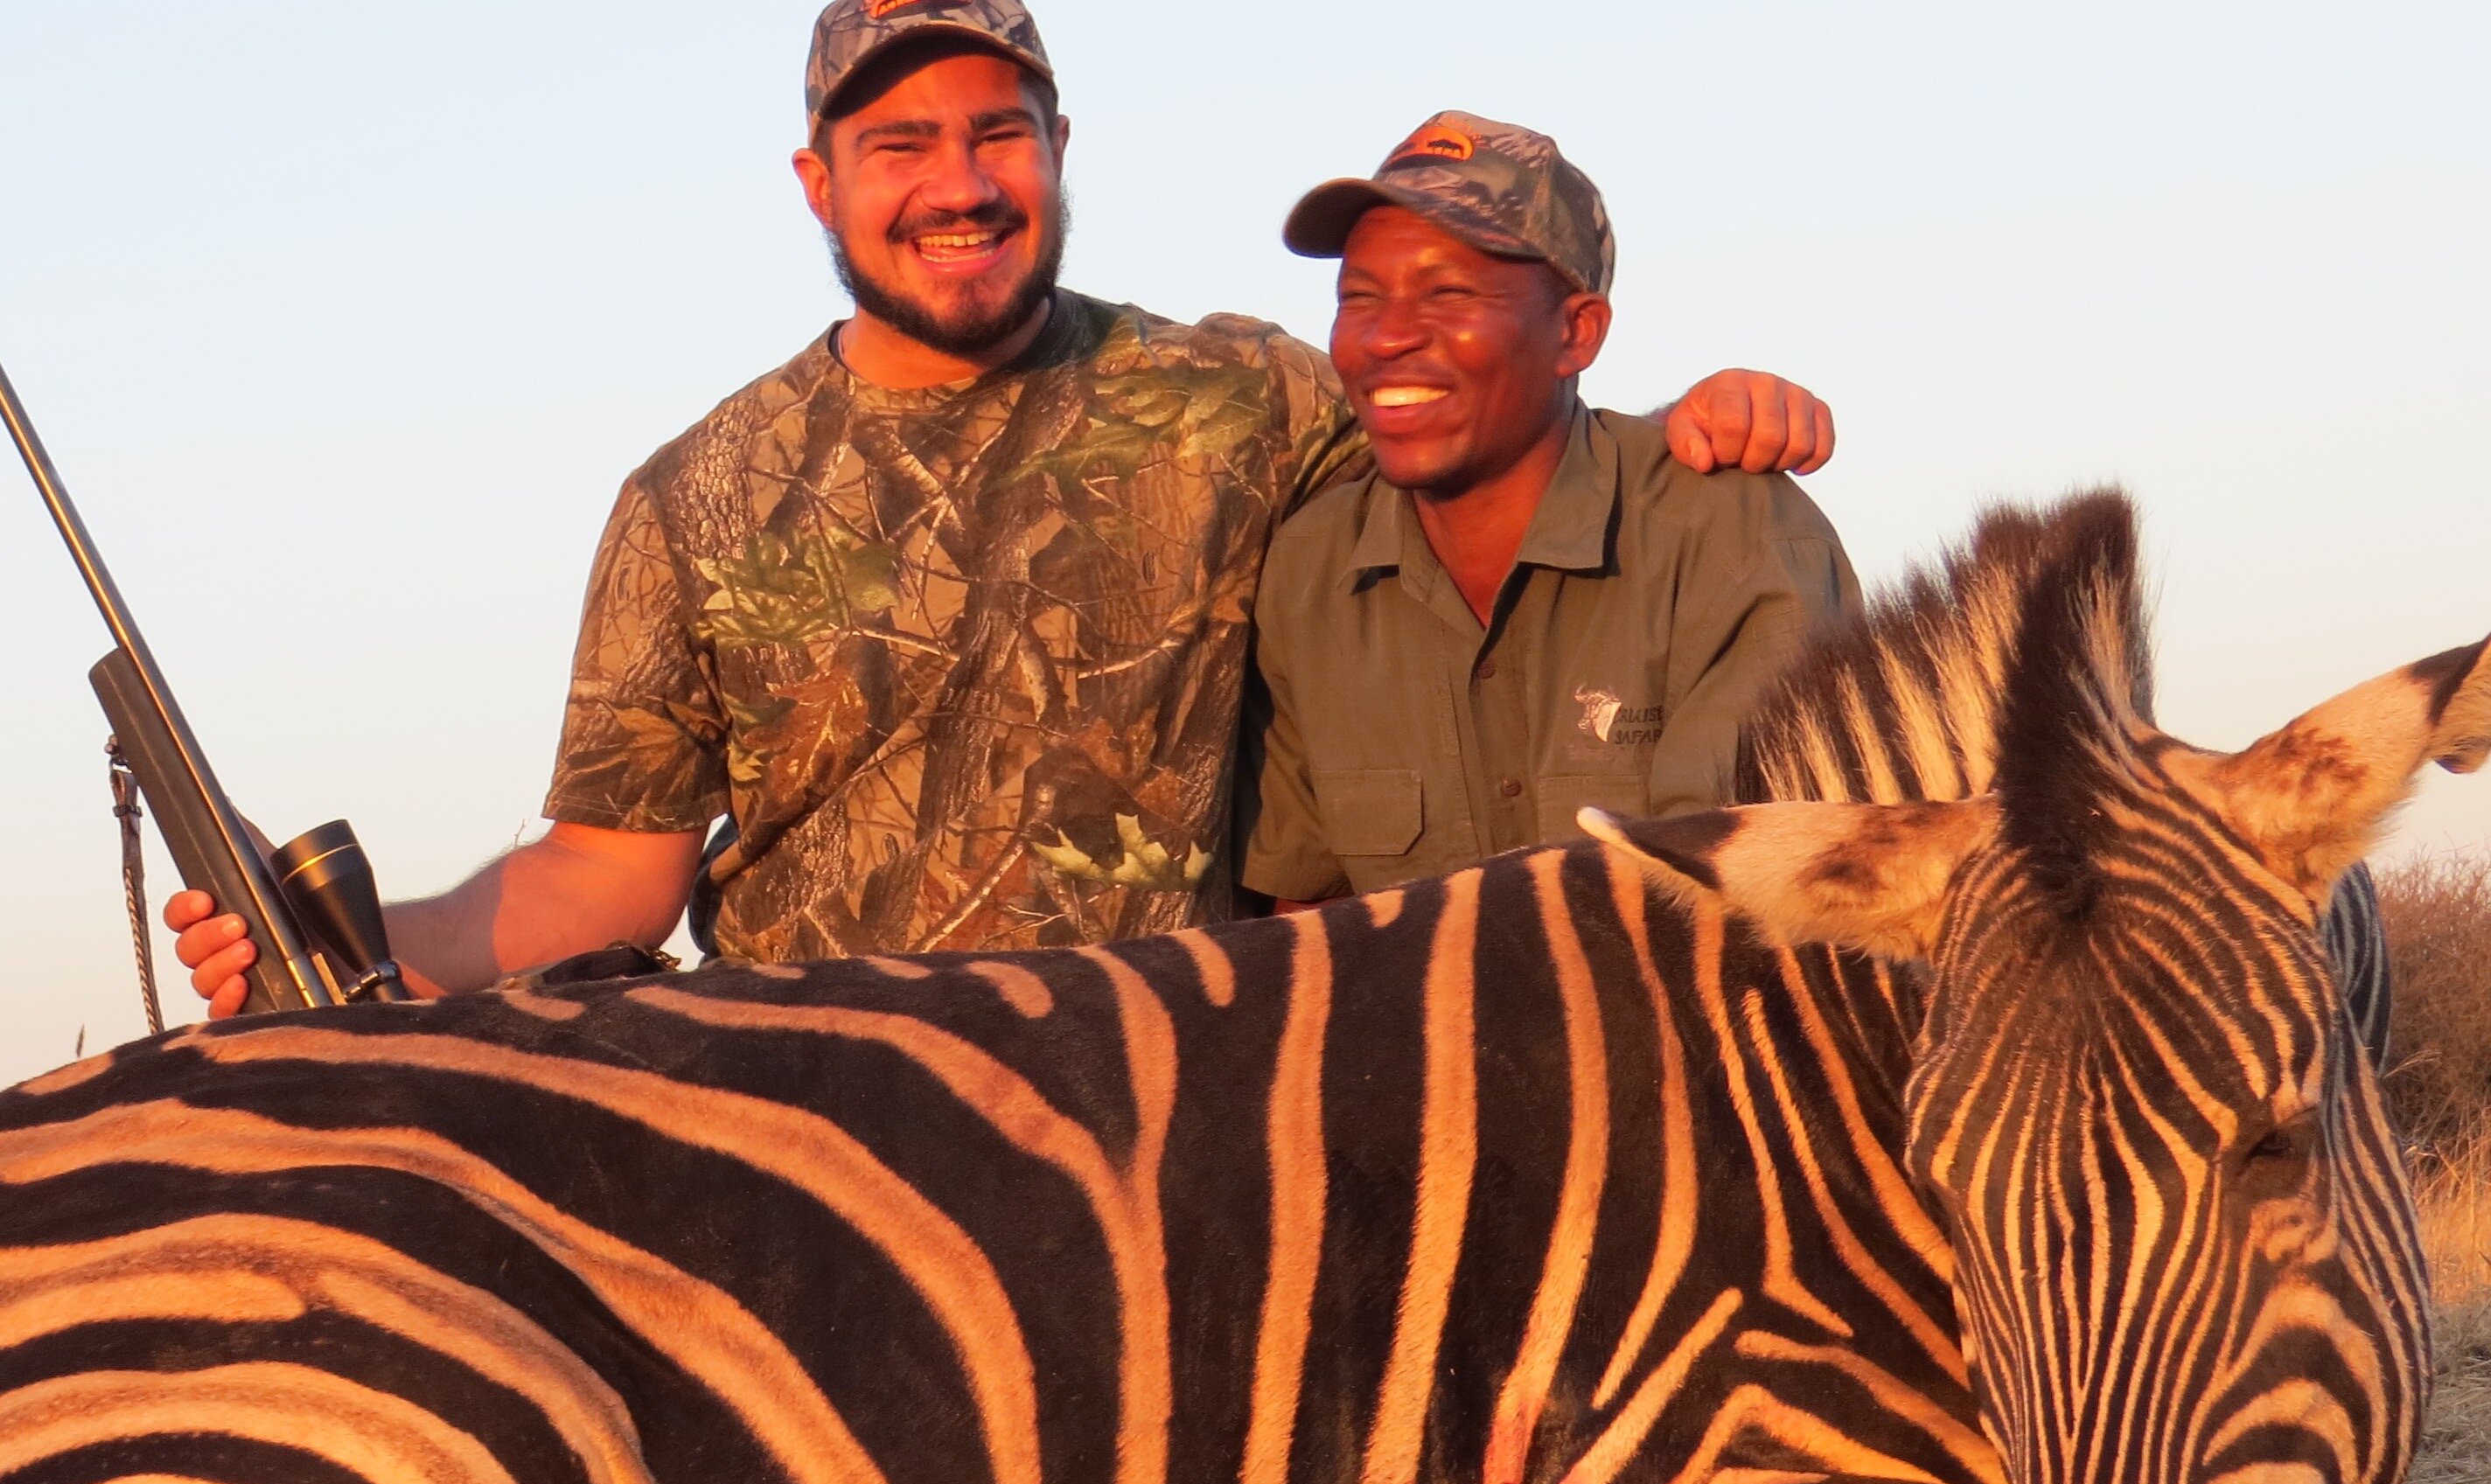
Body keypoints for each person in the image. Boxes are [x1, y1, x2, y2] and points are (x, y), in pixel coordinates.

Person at [171, 0, 1835, 1012]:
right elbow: (608, 878)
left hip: (1175, 1130)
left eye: (995, 135)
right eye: (898, 146)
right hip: (831, 1148)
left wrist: (1695, 417)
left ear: (1056, 146)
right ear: (818, 182)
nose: (958, 186)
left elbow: (1476, 414)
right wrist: (360, 937)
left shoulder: (1246, 395)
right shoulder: (691, 500)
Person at [1236, 115, 1860, 904]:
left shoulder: (1733, 535)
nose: (1388, 337)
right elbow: (1304, 909)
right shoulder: (1311, 571)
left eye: (1448, 292)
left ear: (1576, 333)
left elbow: (1759, 901)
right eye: (1360, 298)